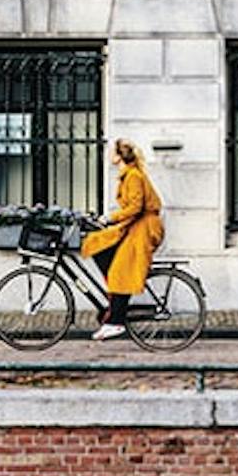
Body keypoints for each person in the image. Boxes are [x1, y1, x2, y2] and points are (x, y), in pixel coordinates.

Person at [80, 138, 165, 340]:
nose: (109, 155)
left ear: (119, 156)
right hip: (135, 225)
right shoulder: (128, 175)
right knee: (98, 244)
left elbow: (135, 207)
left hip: (144, 228)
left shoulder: (133, 175)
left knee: (121, 270)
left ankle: (116, 322)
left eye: (112, 152)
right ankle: (115, 298)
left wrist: (111, 217)